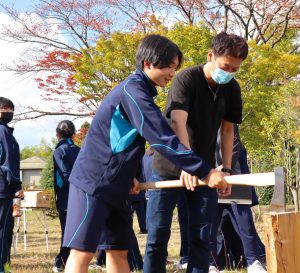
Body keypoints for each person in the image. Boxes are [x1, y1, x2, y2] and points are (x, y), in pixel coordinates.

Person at [62, 34, 228, 273]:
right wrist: (205, 171)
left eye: (175, 67)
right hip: (94, 181)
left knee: (118, 250)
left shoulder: (142, 91)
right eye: (169, 66)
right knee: (83, 251)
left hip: (116, 184)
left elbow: (129, 143)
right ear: (148, 63)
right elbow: (162, 139)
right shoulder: (133, 92)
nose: (172, 73)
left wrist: (132, 174)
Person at [145, 32, 248, 273]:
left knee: (202, 236)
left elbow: (227, 128)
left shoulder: (231, 88)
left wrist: (227, 168)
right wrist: (186, 165)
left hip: (204, 171)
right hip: (169, 167)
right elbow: (177, 122)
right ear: (211, 56)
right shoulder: (186, 79)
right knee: (158, 236)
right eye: (226, 66)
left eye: (235, 69)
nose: (230, 72)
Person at [210, 125, 266, 273]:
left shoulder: (224, 107)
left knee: (244, 220)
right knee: (210, 221)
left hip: (234, 172)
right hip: (208, 175)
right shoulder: (197, 110)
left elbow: (233, 139)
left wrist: (225, 168)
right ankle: (210, 264)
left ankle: (253, 261)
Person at [0, 97, 24, 273]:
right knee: (0, 230)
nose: (9, 112)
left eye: (11, 109)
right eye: (5, 109)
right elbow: (7, 161)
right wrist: (16, 185)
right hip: (0, 188)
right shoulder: (1, 131)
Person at [52, 120, 81, 272]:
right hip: (81, 194)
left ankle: (61, 261)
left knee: (67, 230)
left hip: (66, 195)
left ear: (57, 134)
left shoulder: (59, 151)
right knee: (76, 229)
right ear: (74, 134)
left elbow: (64, 174)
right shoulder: (79, 149)